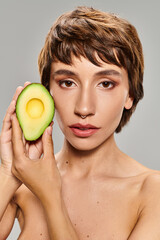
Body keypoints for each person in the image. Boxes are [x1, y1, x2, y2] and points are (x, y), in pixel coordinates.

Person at [0, 5, 160, 240]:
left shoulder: (152, 193)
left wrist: (51, 198)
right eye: (67, 83)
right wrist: (9, 173)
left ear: (131, 94)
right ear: (48, 92)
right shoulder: (23, 184)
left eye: (105, 83)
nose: (84, 108)